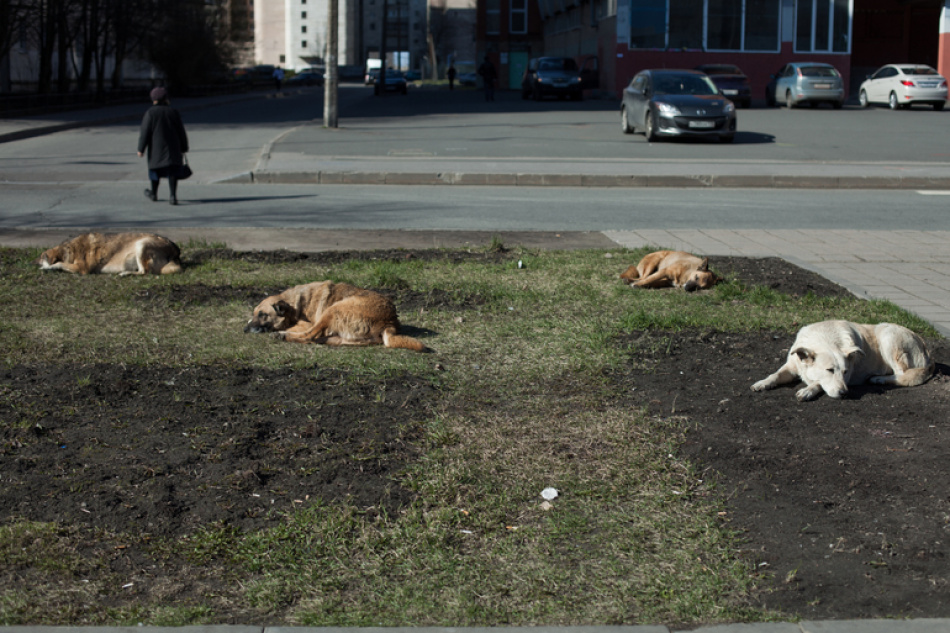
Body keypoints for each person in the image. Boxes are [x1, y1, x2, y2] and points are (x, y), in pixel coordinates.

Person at [137, 87, 189, 206]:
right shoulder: (173, 112)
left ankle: (154, 194)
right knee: (172, 172)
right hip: (173, 149)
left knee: (155, 171)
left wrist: (141, 149)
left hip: (156, 149)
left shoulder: (150, 113)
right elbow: (181, 131)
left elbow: (145, 132)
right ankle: (173, 196)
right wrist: (184, 146)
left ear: (153, 99)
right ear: (166, 99)